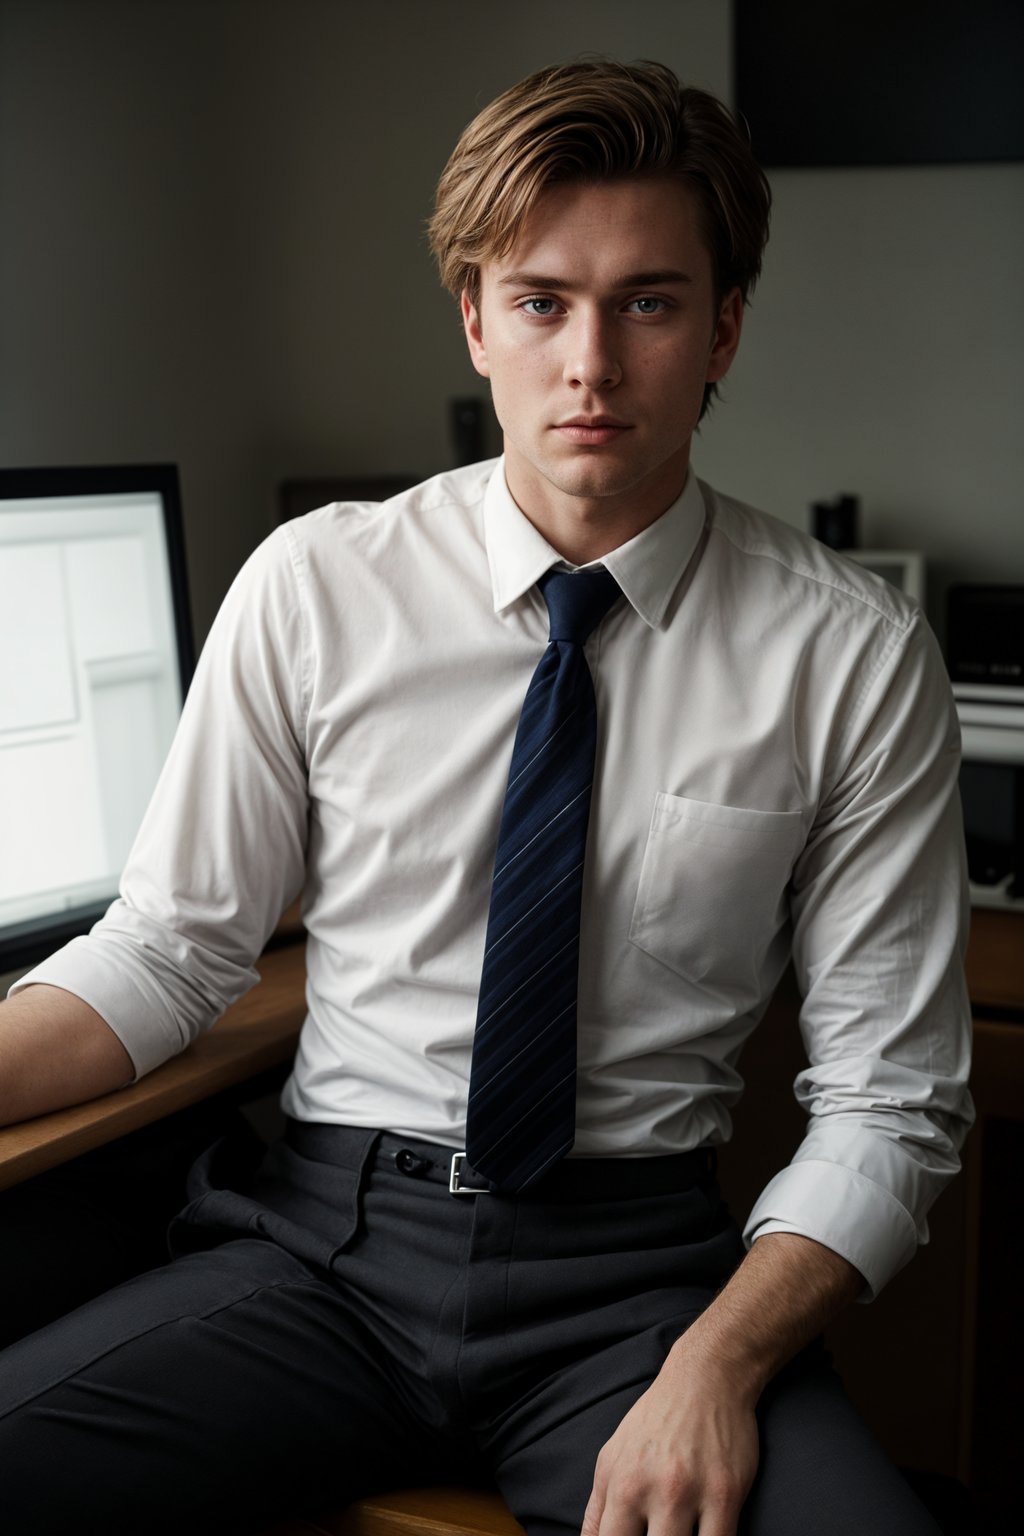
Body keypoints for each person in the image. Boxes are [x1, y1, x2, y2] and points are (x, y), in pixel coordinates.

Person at [0, 59, 971, 1536]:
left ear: (723, 331)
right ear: (474, 318)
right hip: (321, 1251)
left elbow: (890, 1106)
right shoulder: (319, 584)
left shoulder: (851, 650)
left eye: (648, 302)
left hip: (639, 1286)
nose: (590, 362)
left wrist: (715, 1364)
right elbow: (172, 951)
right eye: (541, 302)